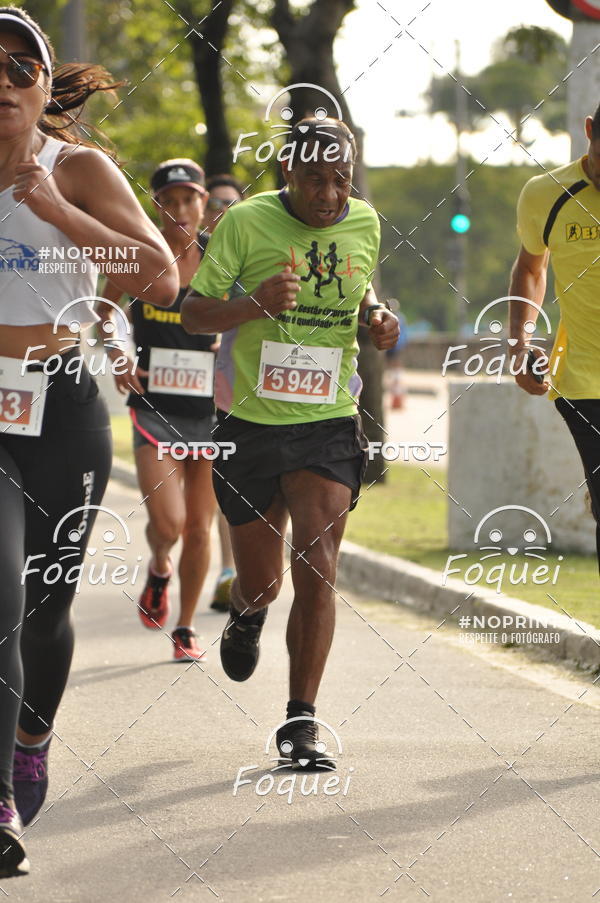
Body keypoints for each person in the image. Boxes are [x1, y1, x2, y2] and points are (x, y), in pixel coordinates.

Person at [0, 6, 177, 877]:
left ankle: (32, 735)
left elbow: (161, 273)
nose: (1, 80)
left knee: (43, 605)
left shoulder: (79, 167)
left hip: (61, 401)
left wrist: (57, 209)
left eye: (16, 66)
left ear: (41, 85)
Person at [181, 118, 399, 768]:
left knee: (318, 562)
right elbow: (194, 311)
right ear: (287, 174)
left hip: (329, 419)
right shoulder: (244, 223)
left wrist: (375, 316)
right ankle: (247, 613)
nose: (330, 194)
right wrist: (251, 303)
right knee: (263, 582)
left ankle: (300, 722)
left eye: (342, 179)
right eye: (315, 180)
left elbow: (360, 286)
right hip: (250, 426)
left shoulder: (364, 222)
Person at [98, 159, 219, 660]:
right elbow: (105, 313)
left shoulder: (222, 259)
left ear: (204, 203)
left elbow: (252, 314)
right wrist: (118, 351)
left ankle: (187, 627)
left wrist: (226, 342)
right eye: (168, 202)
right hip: (154, 410)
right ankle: (159, 565)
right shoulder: (143, 257)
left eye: (188, 199)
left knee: (199, 527)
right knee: (168, 524)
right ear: (156, 207)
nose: (179, 210)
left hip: (211, 413)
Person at [510, 105, 600, 570]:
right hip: (586, 380)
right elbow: (531, 267)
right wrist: (521, 346)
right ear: (589, 132)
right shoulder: (547, 194)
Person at [203, 173, 244, 611]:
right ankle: (225, 566)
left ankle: (233, 569)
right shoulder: (192, 250)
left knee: (230, 481)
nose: (222, 211)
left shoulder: (250, 248)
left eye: (231, 204)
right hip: (181, 385)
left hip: (232, 385)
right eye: (215, 203)